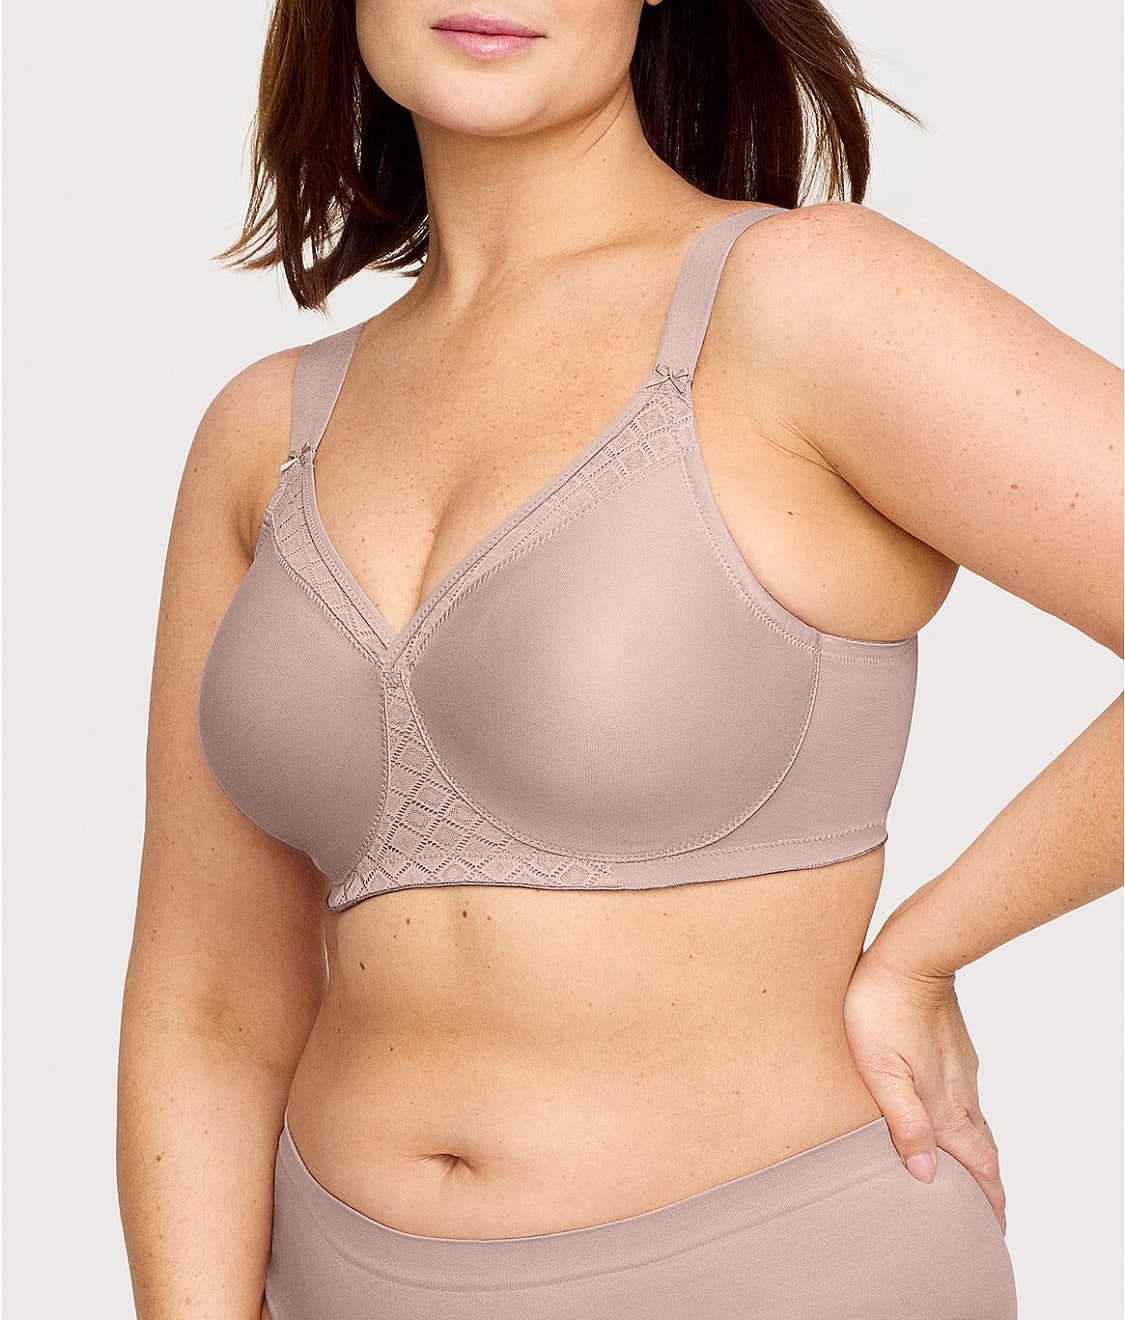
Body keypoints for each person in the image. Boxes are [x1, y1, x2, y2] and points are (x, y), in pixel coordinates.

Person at [116, 1, 1123, 1317]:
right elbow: (208, 1006)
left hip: (778, 1272)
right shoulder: (261, 435)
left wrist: (927, 949)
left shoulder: (796, 302)